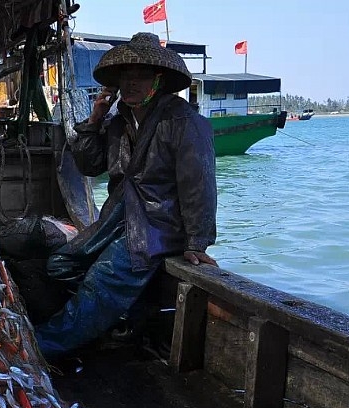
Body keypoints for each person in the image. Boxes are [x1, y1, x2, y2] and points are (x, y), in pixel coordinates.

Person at [35, 32, 218, 360]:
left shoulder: (184, 122)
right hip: (118, 218)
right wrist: (95, 119)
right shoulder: (119, 121)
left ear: (159, 80)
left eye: (141, 76)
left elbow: (199, 185)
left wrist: (196, 242)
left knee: (102, 280)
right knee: (60, 264)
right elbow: (90, 166)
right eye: (126, 76)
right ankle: (122, 321)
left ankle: (39, 348)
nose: (131, 83)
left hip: (157, 226)